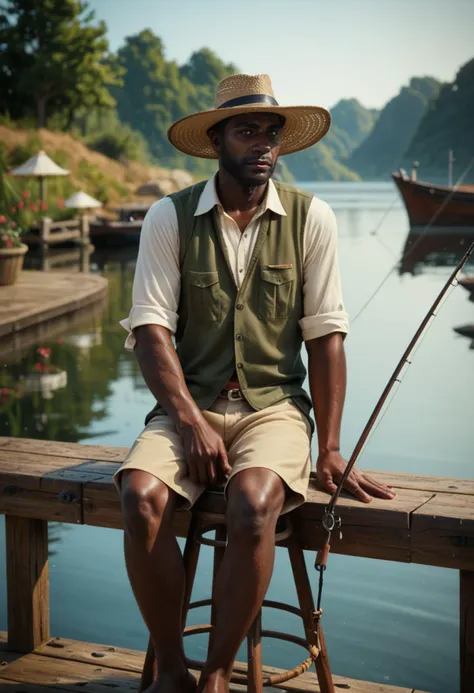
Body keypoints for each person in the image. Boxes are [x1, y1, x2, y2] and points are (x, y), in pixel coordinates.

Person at [115, 73, 395, 693]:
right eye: (248, 132)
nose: (263, 145)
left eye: (271, 134)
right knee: (138, 496)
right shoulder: (170, 216)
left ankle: (216, 676)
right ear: (217, 141)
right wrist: (187, 420)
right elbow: (152, 331)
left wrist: (328, 446)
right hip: (188, 404)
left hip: (274, 410)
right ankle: (170, 671)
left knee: (253, 505)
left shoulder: (311, 218)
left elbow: (326, 338)